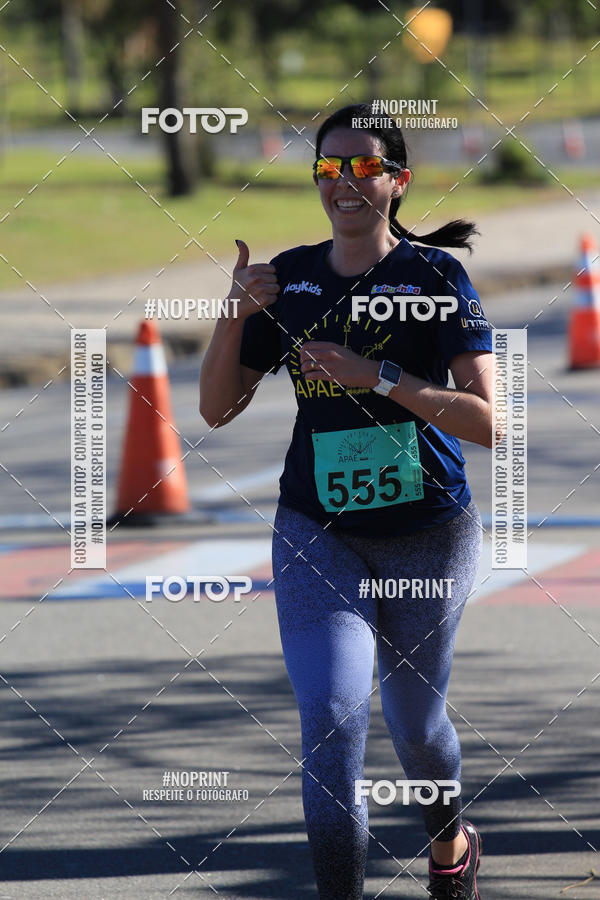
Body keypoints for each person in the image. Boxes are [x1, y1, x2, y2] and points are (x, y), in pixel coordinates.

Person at [199, 101, 493, 900]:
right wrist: (232, 319)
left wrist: (380, 378)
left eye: (367, 167)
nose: (347, 183)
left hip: (428, 535)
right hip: (315, 532)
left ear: (398, 181)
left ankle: (450, 840)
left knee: (416, 728)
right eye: (331, 169)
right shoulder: (290, 279)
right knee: (332, 721)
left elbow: (495, 425)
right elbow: (216, 411)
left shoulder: (436, 280)